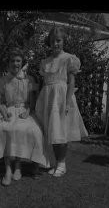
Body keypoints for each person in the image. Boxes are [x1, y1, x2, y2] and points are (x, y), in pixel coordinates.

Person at [0, 48, 50, 186]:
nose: (15, 64)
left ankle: (18, 166)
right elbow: (1, 99)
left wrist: (28, 111)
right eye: (12, 61)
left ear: (22, 62)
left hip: (25, 110)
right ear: (8, 63)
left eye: (18, 61)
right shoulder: (4, 80)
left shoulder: (29, 79)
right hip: (8, 110)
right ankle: (8, 169)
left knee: (31, 130)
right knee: (2, 128)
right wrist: (4, 111)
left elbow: (32, 100)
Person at [35, 26, 88, 177]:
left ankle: (62, 163)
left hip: (61, 99)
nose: (55, 44)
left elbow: (71, 83)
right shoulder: (45, 62)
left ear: (63, 41)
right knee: (53, 132)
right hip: (48, 98)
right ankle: (56, 162)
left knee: (61, 132)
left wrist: (67, 102)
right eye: (52, 41)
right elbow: (44, 84)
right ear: (49, 43)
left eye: (58, 40)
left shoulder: (68, 59)